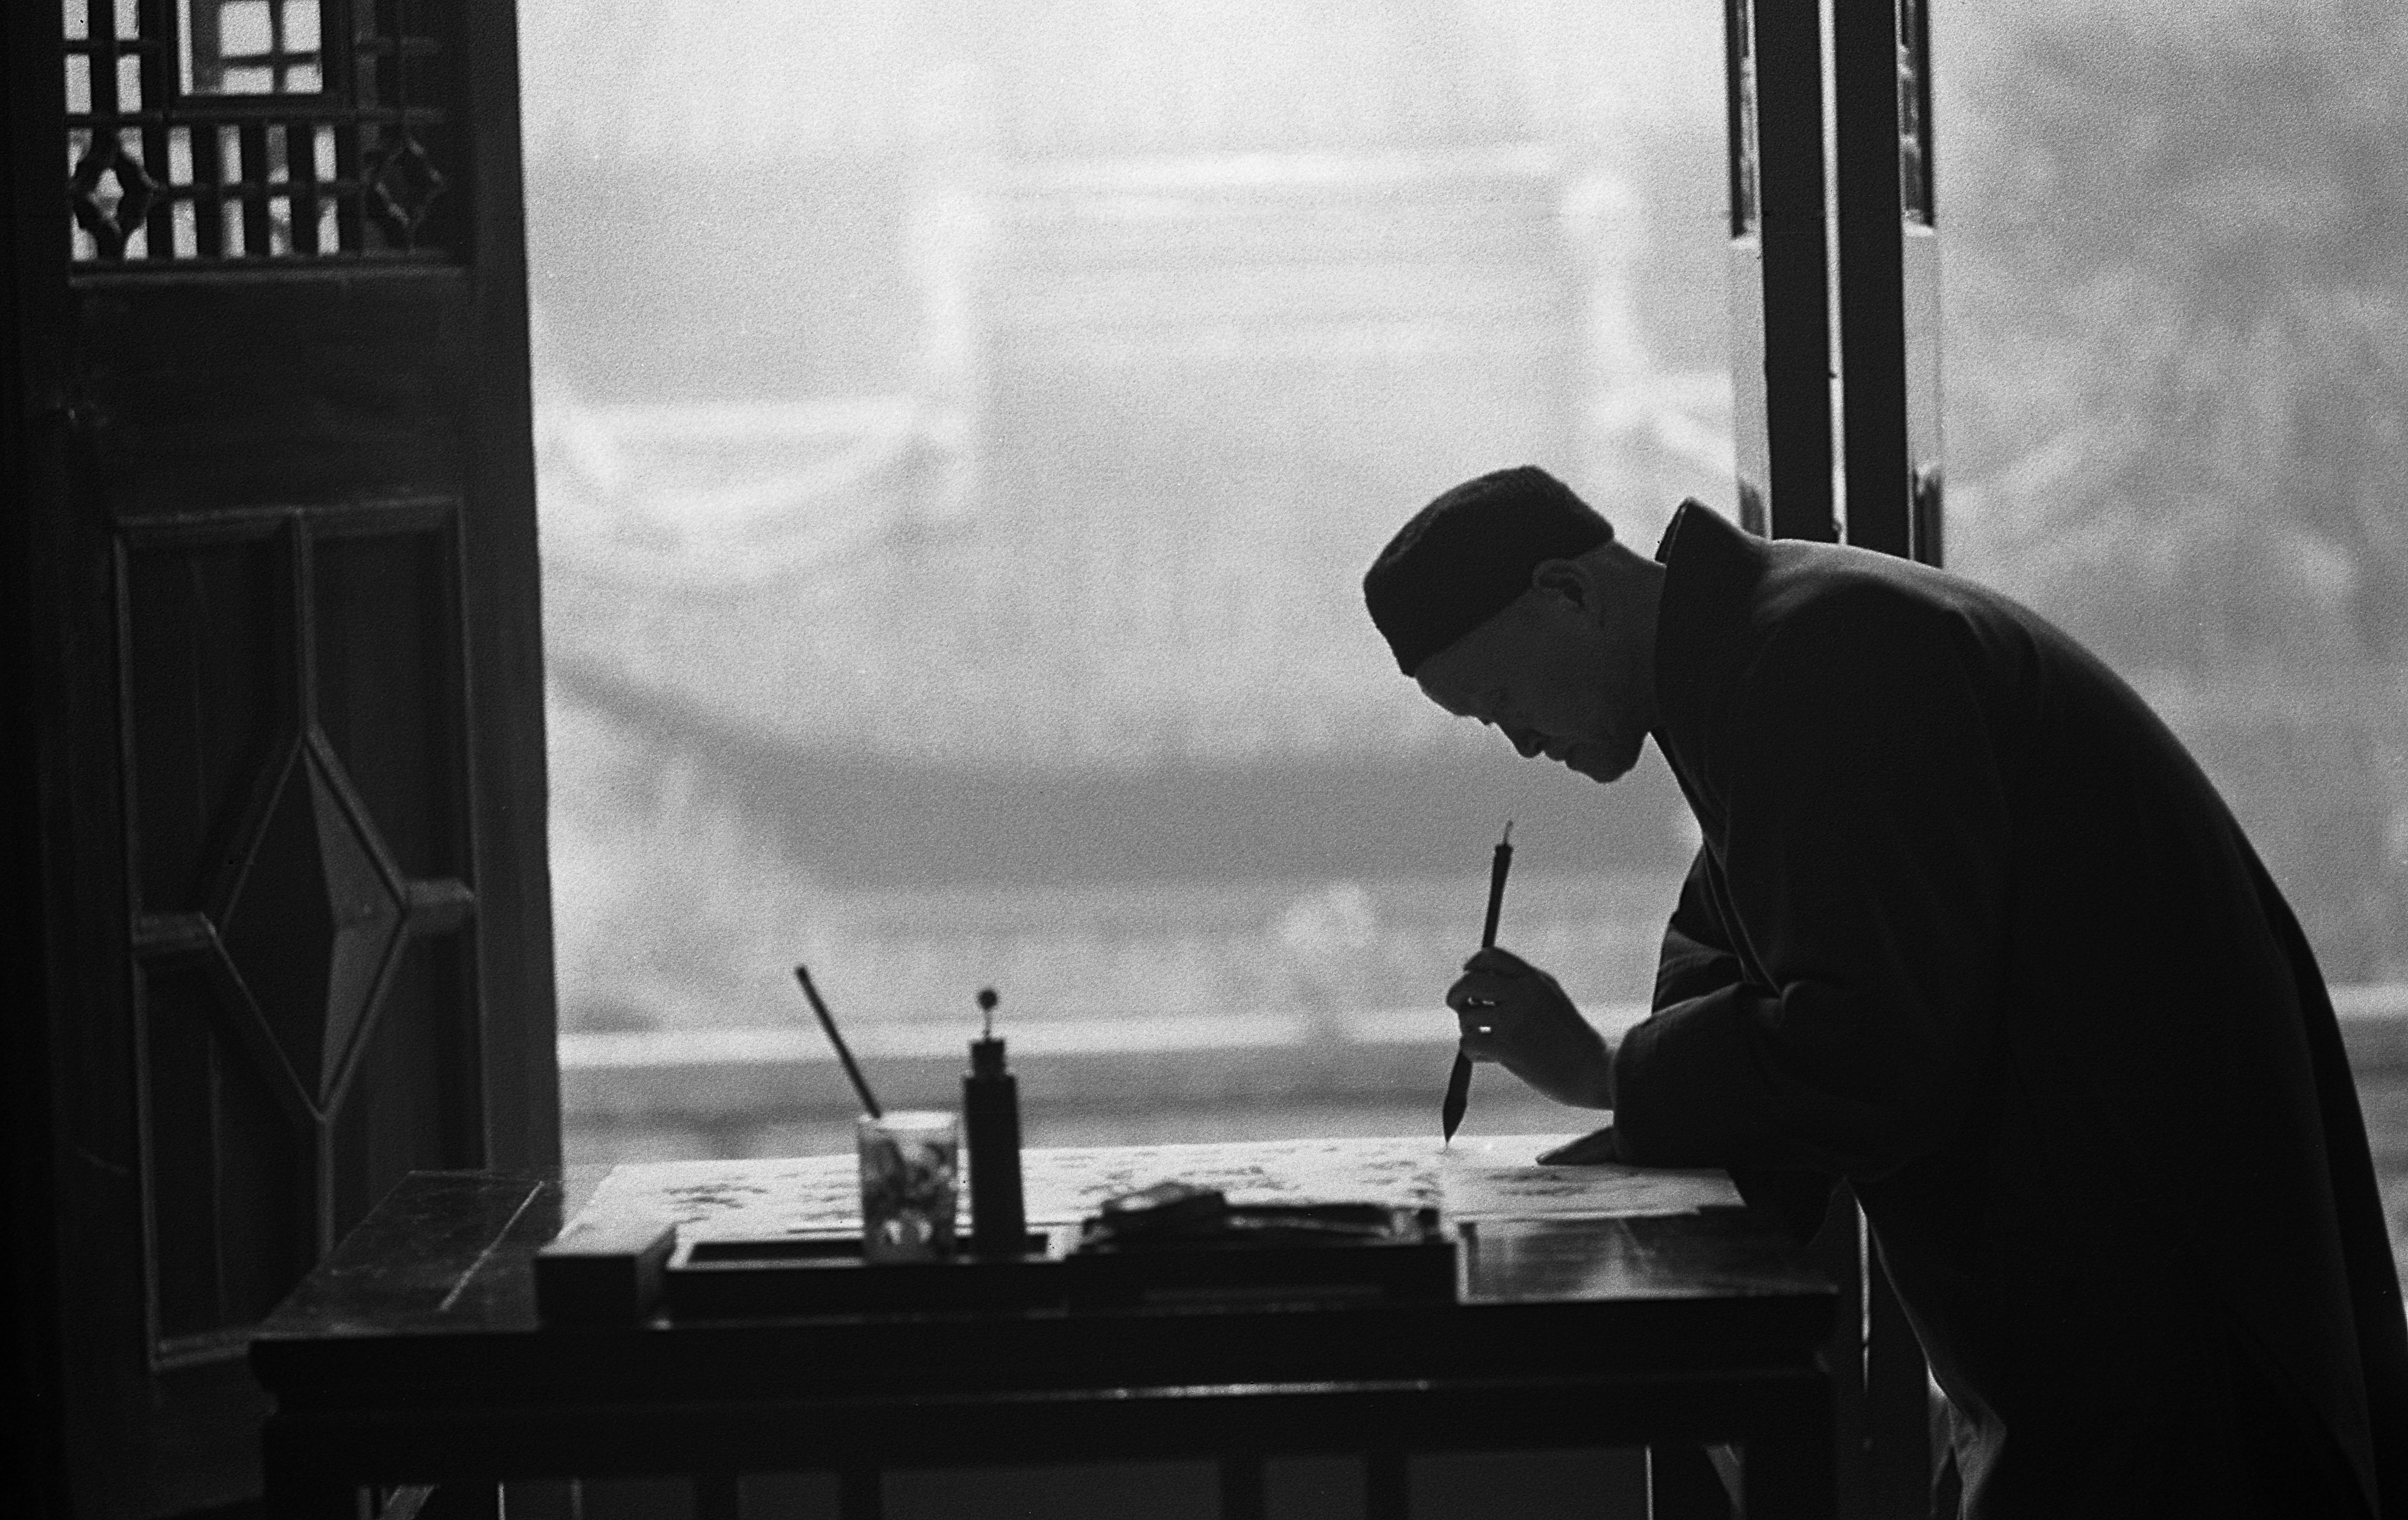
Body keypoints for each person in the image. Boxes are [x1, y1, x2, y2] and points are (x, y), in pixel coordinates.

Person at [1361, 466, 2407, 1520]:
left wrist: (1606, 1072)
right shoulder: (1760, 656)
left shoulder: (1825, 662)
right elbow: (1727, 961)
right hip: (2096, 1287)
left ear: (1568, 593)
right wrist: (1618, 1133)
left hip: (2163, 1286)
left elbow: (1875, 1056)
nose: (1521, 744)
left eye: (1500, 701)